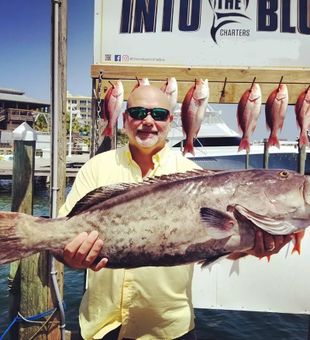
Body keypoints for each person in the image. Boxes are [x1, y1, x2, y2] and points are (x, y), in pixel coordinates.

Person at [57, 85, 292, 340]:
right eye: (138, 112)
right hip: (101, 326)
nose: (148, 121)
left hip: (169, 329)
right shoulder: (96, 168)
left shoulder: (195, 175)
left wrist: (250, 247)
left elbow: (221, 242)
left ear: (170, 121)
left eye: (158, 114)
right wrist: (71, 258)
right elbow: (63, 233)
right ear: (125, 119)